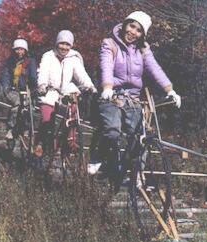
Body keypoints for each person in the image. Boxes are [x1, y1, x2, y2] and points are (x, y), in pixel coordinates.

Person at [87, 11, 181, 175]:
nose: (133, 32)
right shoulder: (109, 44)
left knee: (138, 137)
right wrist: (107, 87)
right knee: (112, 131)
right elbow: (106, 66)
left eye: (139, 30)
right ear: (125, 24)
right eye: (132, 26)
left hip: (132, 99)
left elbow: (155, 68)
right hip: (111, 95)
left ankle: (133, 173)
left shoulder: (143, 49)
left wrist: (170, 89)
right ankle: (98, 157)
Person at [35, 30, 97, 156]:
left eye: (67, 44)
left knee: (72, 108)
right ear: (57, 43)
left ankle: (70, 140)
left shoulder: (73, 58)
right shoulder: (48, 56)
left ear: (71, 46)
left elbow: (81, 74)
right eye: (61, 43)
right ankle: (41, 142)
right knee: (47, 117)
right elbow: (43, 72)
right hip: (50, 90)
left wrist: (90, 86)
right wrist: (42, 85)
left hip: (66, 90)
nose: (64, 47)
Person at [0, 39, 38, 139]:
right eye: (17, 49)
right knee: (17, 104)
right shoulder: (9, 62)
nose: (19, 52)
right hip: (12, 89)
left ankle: (26, 128)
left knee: (30, 106)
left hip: (26, 89)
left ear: (25, 50)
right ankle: (11, 128)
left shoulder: (31, 62)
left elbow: (34, 76)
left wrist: (34, 89)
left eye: (21, 49)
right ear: (14, 50)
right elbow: (5, 75)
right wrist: (6, 87)